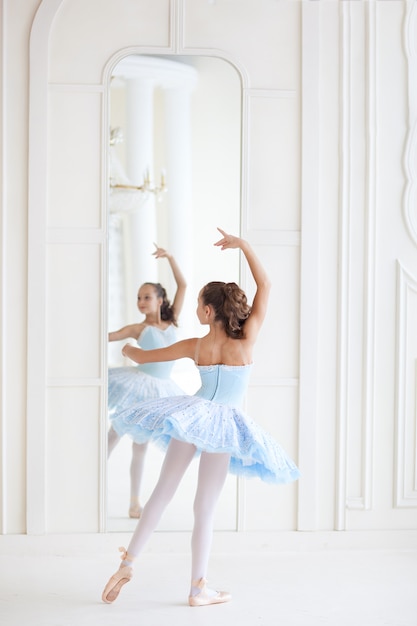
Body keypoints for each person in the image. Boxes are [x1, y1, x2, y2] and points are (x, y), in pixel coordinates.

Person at [102, 228, 300, 607]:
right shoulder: (247, 339)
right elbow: (267, 285)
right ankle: (197, 589)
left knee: (161, 492)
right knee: (204, 507)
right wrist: (244, 245)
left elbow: (144, 358)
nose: (194, 310)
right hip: (225, 425)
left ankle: (128, 562)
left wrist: (129, 348)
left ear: (209, 312)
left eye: (197, 305)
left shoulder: (196, 345)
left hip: (191, 417)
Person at [107, 244, 187, 519]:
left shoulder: (171, 322)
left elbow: (184, 284)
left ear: (160, 300)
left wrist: (171, 258)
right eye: (139, 298)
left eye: (147, 297)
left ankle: (134, 503)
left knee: (139, 447)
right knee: (113, 435)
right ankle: (87, 487)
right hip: (137, 385)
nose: (141, 302)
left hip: (161, 391)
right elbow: (109, 336)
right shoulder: (138, 328)